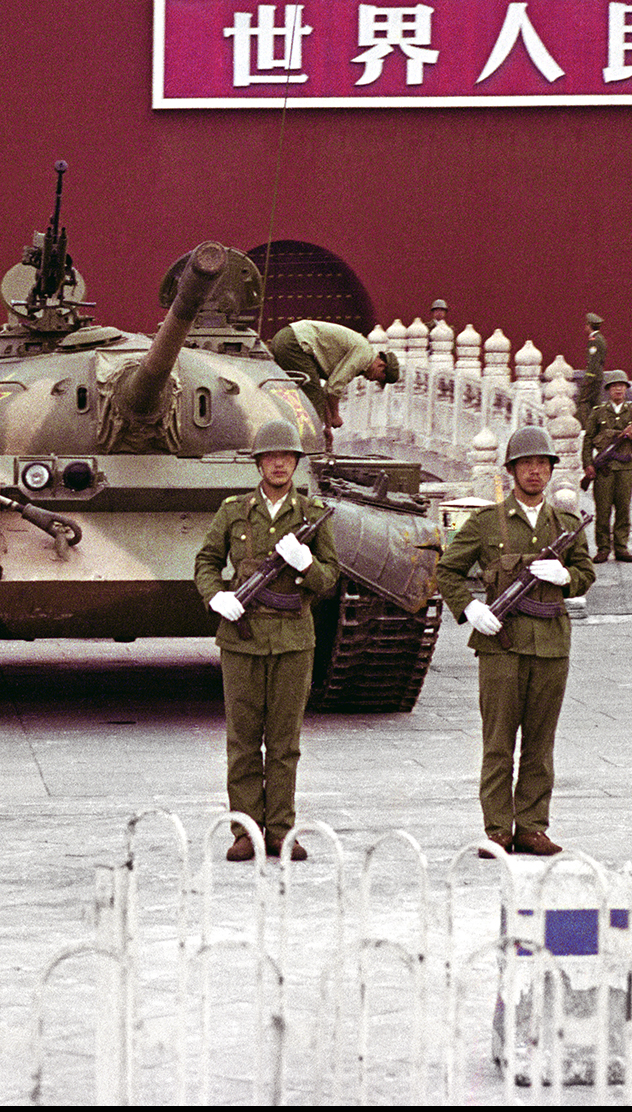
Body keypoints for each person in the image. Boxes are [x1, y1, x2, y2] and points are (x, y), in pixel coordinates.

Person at [434, 426, 596, 856]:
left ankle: (532, 826)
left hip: (551, 644)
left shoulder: (565, 523)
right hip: (501, 645)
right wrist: (470, 610)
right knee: (499, 743)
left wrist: (567, 578)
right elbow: (448, 570)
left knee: (540, 745)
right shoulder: (487, 523)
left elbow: (585, 572)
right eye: (526, 464)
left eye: (542, 464)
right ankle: (497, 830)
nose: (535, 472)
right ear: (510, 471)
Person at [193, 419, 339, 861]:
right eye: (271, 456)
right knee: (242, 741)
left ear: (296, 462)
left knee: (284, 742)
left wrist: (306, 564)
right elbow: (206, 560)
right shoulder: (233, 510)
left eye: (287, 456)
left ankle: (280, 830)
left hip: (294, 640)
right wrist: (216, 595)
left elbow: (329, 580)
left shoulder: (313, 516)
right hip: (242, 637)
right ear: (258, 462)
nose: (279, 463)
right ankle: (245, 830)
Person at [267, 319, 399, 433]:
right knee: (312, 398)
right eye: (377, 378)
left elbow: (325, 393)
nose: (371, 380)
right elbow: (333, 389)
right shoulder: (364, 354)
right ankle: (309, 446)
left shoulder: (363, 354)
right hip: (295, 342)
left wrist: (327, 427)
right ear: (382, 365)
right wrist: (335, 416)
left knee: (292, 394)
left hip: (284, 338)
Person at [582, 369, 632, 562]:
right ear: (608, 390)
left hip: (625, 468)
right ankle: (602, 548)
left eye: (622, 385)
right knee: (603, 509)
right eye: (614, 386)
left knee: (623, 509)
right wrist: (587, 465)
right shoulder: (598, 413)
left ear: (626, 389)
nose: (618, 389)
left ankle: (621, 548)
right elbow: (588, 440)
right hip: (604, 469)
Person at [575, 313, 607, 431]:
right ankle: (599, 426)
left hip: (592, 376)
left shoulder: (594, 340)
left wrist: (588, 378)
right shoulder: (600, 339)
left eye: (586, 324)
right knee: (596, 402)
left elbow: (593, 361)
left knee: (583, 400)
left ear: (589, 325)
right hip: (598, 375)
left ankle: (585, 427)